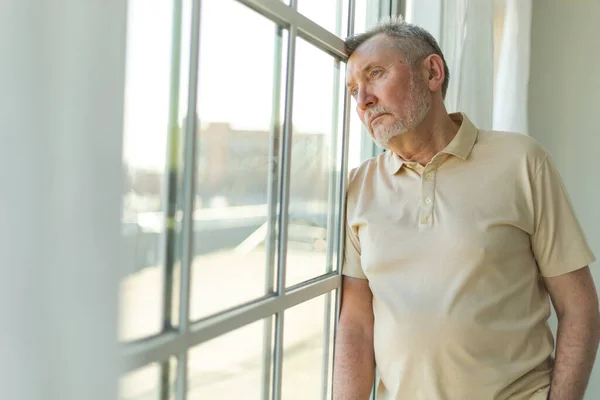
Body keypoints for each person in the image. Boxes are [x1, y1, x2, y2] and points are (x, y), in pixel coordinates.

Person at [333, 16, 600, 400]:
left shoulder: (522, 161)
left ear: (432, 72)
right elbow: (355, 327)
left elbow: (580, 308)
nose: (363, 100)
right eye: (353, 90)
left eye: (376, 74)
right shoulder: (359, 186)